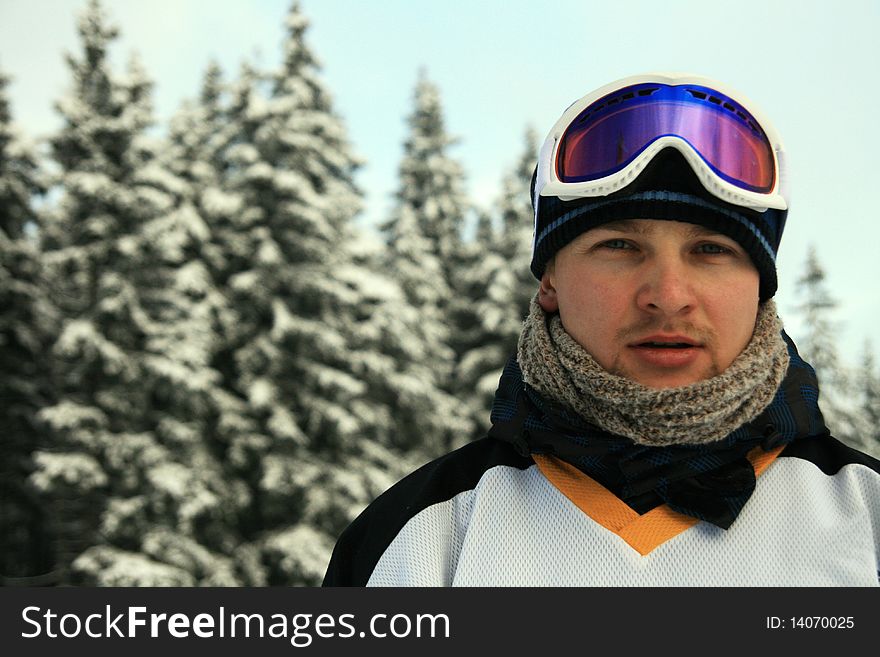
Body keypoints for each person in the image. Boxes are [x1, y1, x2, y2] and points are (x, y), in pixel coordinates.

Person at [322, 72, 880, 586]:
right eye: (619, 246)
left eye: (712, 250)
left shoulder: (867, 517)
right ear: (550, 283)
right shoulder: (419, 535)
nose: (667, 296)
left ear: (759, 287)